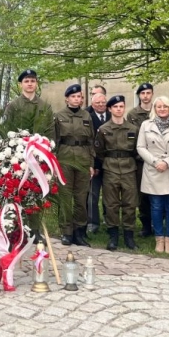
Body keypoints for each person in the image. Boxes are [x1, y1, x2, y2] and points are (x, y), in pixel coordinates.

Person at [136, 95, 169, 254]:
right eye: (159, 107)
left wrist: (167, 162)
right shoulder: (146, 124)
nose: (162, 109)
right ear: (154, 109)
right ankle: (159, 238)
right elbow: (141, 147)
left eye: (165, 106)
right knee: (156, 206)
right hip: (153, 169)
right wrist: (156, 162)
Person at [95, 95, 139, 251]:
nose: (119, 109)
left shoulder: (133, 129)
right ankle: (113, 236)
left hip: (129, 168)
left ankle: (129, 236)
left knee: (130, 204)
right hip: (110, 169)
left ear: (124, 108)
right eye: (115, 107)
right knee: (111, 204)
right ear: (110, 109)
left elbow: (137, 150)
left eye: (121, 106)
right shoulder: (104, 129)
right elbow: (99, 150)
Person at [54, 84, 95, 247]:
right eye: (73, 97)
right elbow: (55, 140)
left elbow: (91, 141)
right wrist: (54, 163)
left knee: (81, 197)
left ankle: (79, 232)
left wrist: (91, 163)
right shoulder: (58, 116)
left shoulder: (87, 116)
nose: (76, 99)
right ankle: (66, 232)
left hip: (83, 158)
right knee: (65, 196)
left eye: (79, 97)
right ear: (67, 98)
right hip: (65, 158)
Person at [127, 83, 154, 237]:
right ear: (139, 95)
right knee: (142, 193)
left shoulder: (158, 110)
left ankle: (157, 223)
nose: (145, 96)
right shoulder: (133, 114)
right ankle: (145, 225)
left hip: (157, 159)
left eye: (148, 93)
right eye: (142, 93)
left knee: (157, 193)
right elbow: (132, 137)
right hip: (140, 160)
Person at [4, 69, 53, 136]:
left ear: (36, 84)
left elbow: (51, 131)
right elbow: (6, 129)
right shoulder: (13, 106)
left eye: (32, 81)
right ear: (20, 85)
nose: (30, 84)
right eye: (26, 81)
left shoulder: (45, 107)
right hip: (18, 145)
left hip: (40, 145)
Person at [86, 92, 109, 234]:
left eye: (103, 102)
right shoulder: (88, 117)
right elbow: (89, 143)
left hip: (109, 162)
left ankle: (109, 220)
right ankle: (93, 222)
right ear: (92, 104)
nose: (101, 105)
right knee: (93, 195)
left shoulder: (112, 115)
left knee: (109, 195)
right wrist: (94, 165)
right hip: (94, 163)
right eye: (97, 103)